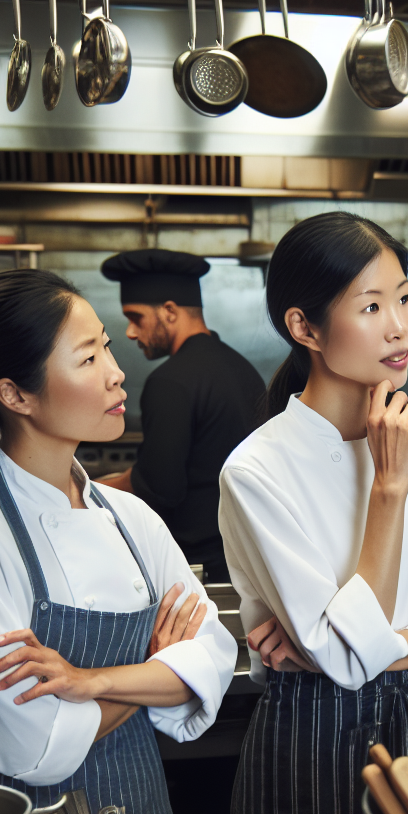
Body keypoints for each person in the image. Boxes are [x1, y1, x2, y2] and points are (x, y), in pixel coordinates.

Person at [0, 268, 238, 814]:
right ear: (15, 394)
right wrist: (155, 668)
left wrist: (91, 682)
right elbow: (34, 743)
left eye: (107, 347)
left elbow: (213, 660)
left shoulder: (131, 517)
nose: (117, 375)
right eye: (88, 360)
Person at [218, 212, 408, 814]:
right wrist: (388, 487)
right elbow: (351, 659)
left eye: (405, 299)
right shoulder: (257, 470)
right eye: (370, 307)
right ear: (304, 327)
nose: (399, 326)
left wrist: (343, 648)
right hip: (307, 737)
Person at [97, 249, 265, 583]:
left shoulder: (169, 381)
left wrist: (97, 487)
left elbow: (159, 488)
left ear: (170, 311)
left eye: (136, 318)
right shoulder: (242, 368)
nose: (130, 332)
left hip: (199, 567)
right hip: (248, 558)